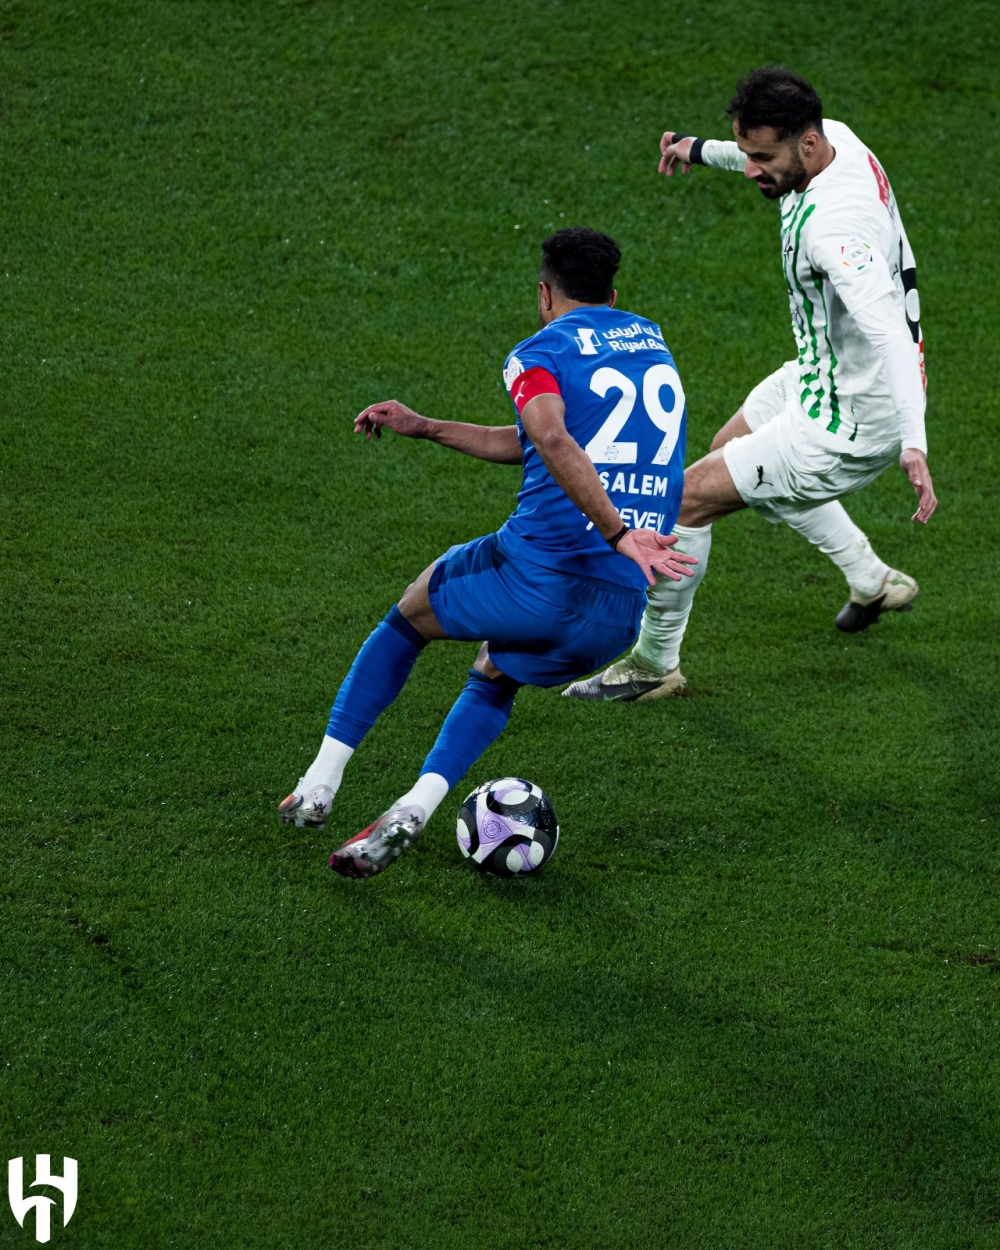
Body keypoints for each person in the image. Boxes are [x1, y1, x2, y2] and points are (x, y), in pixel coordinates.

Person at [278, 227, 696, 877]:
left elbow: (553, 437)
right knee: (495, 668)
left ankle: (317, 785)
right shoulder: (651, 341)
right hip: (616, 613)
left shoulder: (539, 351)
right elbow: (534, 440)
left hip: (539, 577)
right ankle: (417, 804)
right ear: (612, 294)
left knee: (410, 615)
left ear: (544, 294)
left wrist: (615, 531)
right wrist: (425, 426)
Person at [564, 66, 936, 704]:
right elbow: (757, 154)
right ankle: (870, 578)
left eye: (763, 157)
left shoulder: (834, 231)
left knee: (683, 501)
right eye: (747, 150)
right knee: (730, 444)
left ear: (807, 145)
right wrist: (698, 149)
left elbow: (892, 338)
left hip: (848, 423)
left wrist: (914, 442)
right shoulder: (835, 139)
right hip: (823, 376)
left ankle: (655, 663)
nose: (754, 167)